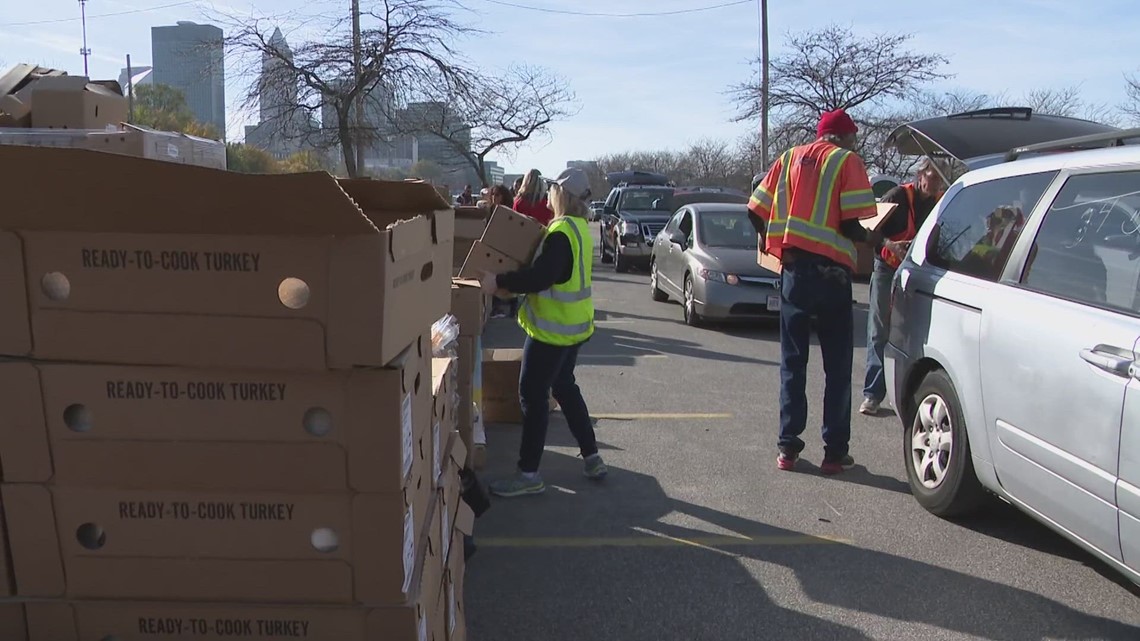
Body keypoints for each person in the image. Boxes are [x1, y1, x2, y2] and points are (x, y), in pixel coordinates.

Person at [748, 108, 883, 475]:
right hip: (832, 275)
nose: (855, 143)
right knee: (837, 367)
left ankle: (787, 449)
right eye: (853, 137)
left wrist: (772, 245)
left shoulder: (789, 157)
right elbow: (850, 223)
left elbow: (755, 210)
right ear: (841, 137)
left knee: (793, 363)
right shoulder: (846, 161)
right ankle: (833, 454)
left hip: (794, 274)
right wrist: (877, 239)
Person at [478, 167, 605, 497]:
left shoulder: (561, 231)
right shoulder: (579, 228)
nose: (548, 194)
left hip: (552, 331)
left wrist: (499, 282)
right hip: (575, 327)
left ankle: (529, 473)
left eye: (552, 190)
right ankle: (592, 456)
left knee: (532, 396)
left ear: (561, 195)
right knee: (564, 386)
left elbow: (541, 277)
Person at [860, 158, 945, 416]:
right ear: (921, 175)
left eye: (940, 179)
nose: (936, 183)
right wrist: (891, 244)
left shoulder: (939, 203)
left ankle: (908, 395)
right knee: (879, 329)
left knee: (914, 333)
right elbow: (868, 227)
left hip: (916, 271)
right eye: (933, 176)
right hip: (886, 268)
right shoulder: (897, 196)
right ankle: (873, 394)